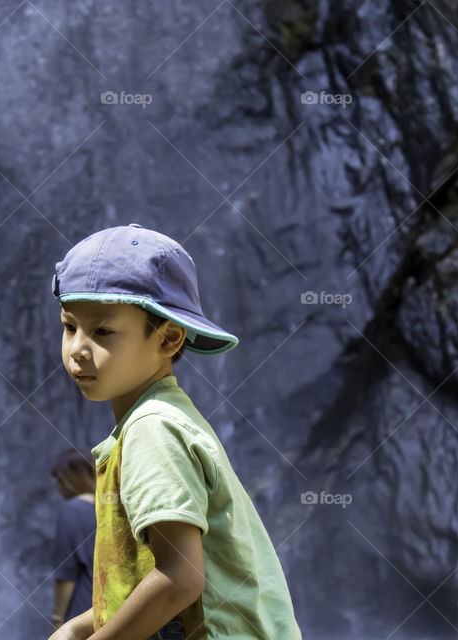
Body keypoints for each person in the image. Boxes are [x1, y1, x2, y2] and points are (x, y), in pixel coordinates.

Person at [46, 224, 303, 640]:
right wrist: (78, 628)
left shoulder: (154, 430)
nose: (77, 348)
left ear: (168, 339)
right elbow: (152, 586)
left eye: (103, 331)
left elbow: (181, 579)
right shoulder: (162, 418)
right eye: (69, 326)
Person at [49, 448, 97, 631]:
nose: (60, 487)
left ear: (72, 478)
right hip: (110, 605)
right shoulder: (111, 505)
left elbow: (66, 573)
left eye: (60, 480)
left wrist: (57, 620)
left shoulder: (72, 509)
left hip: (82, 607)